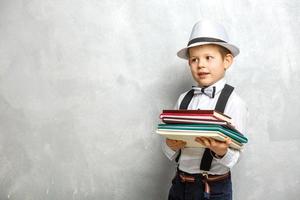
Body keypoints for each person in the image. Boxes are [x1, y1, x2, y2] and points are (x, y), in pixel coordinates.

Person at [162, 20, 248, 200]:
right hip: (180, 183)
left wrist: (221, 151)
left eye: (208, 58)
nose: (200, 64)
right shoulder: (183, 99)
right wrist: (170, 145)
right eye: (194, 59)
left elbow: (236, 157)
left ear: (227, 60)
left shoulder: (234, 102)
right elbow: (170, 146)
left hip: (213, 188)